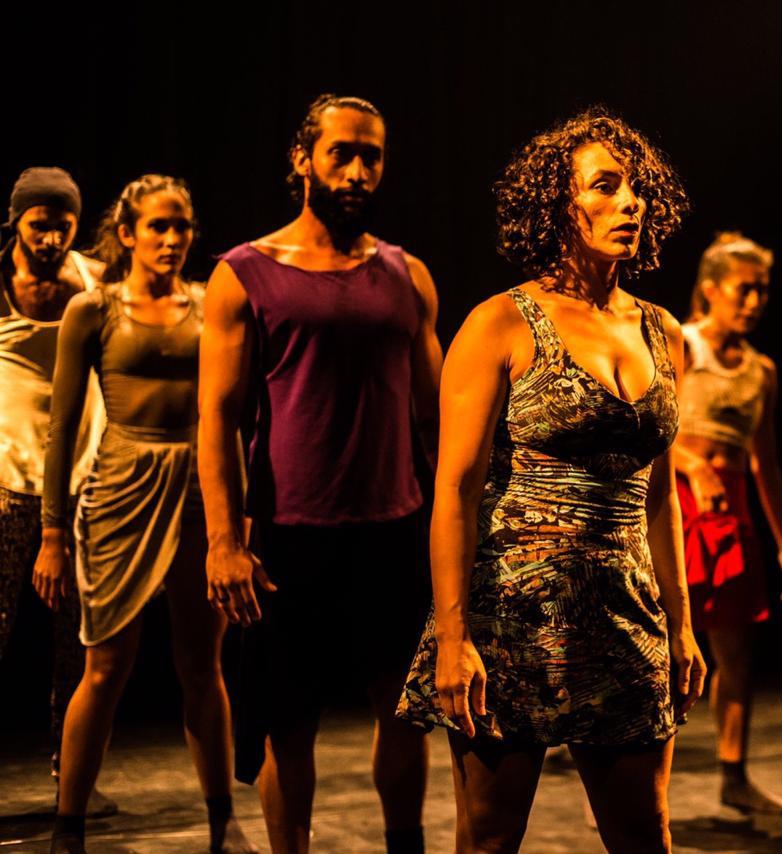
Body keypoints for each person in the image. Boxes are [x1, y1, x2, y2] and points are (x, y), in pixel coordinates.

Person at [398, 106, 706, 853]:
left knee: (645, 836)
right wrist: (452, 637)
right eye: (605, 186)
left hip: (626, 617)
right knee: (490, 839)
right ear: (557, 204)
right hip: (513, 623)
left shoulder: (664, 332)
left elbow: (660, 497)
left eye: (637, 189)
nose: (630, 203)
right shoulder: (500, 324)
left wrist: (682, 623)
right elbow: (455, 493)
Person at [198, 94, 443, 854]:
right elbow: (216, 418)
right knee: (288, 722)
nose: (359, 170)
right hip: (289, 535)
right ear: (303, 158)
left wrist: (464, 529)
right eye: (343, 152)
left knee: (403, 711)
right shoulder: (244, 273)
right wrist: (223, 542)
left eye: (372, 155)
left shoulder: (407, 275)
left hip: (393, 530)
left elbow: (439, 420)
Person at [34, 175, 252, 853]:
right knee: (105, 666)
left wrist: (239, 522)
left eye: (182, 226)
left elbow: (229, 419)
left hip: (197, 487)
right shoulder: (92, 310)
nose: (172, 238)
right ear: (127, 234)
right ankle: (68, 828)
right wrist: (51, 534)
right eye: (158, 225)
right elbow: (62, 428)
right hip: (120, 487)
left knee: (202, 665)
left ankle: (223, 822)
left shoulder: (208, 305)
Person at [672, 231, 782, 815]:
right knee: (661, 647)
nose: (754, 302)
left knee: (735, 652)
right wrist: (693, 465)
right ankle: (629, 780)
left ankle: (734, 776)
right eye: (743, 290)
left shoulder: (762, 371)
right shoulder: (680, 343)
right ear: (710, 290)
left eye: (762, 291)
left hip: (731, 513)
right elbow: (646, 430)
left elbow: (766, 465)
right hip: (677, 503)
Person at [0, 167, 114, 816]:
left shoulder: (94, 282)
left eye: (62, 225)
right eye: (38, 225)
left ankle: (71, 774)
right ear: (16, 221)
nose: (50, 238)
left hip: (82, 484)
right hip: (5, 483)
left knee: (80, 643)